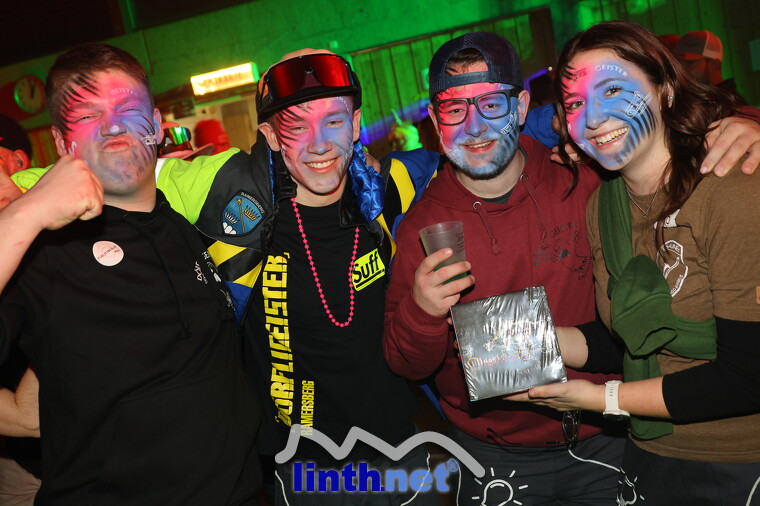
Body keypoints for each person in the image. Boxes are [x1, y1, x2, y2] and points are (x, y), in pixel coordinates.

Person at [510, 21, 760, 505]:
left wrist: (599, 399)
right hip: (648, 456)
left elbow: (747, 378)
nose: (594, 117)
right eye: (575, 104)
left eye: (613, 90)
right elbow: (631, 335)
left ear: (666, 89)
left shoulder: (732, 188)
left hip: (738, 465)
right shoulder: (603, 205)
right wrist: (535, 343)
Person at [0, 43, 261, 504]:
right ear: (60, 142)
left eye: (128, 109)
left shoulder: (188, 227)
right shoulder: (42, 252)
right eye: (88, 115)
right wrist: (25, 214)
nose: (115, 125)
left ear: (157, 125)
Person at [383, 31, 629, 506]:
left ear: (520, 107)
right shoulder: (421, 225)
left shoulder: (584, 180)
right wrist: (421, 310)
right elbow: (405, 363)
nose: (474, 127)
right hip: (491, 455)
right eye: (455, 109)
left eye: (491, 104)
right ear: (434, 120)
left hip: (607, 437)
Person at [674, 29, 747, 104]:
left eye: (689, 63)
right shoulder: (692, 100)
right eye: (680, 63)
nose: (683, 69)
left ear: (714, 65)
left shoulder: (731, 104)